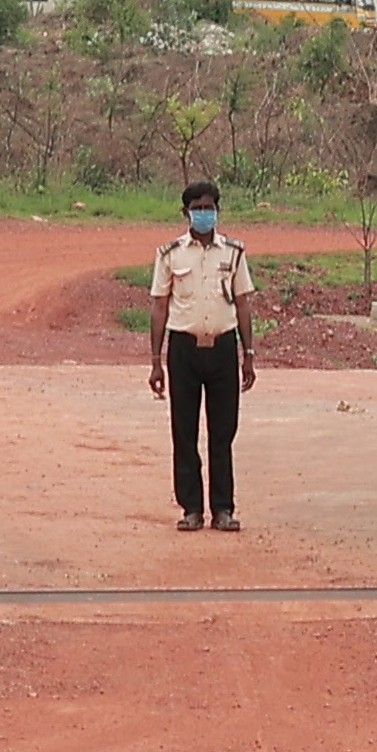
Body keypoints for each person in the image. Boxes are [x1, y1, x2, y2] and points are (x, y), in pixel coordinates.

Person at [147, 177, 259, 530]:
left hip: (224, 347)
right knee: (184, 430)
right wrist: (155, 361)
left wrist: (249, 353)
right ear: (185, 213)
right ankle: (191, 509)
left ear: (218, 210)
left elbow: (243, 304)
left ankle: (223, 509)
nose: (204, 215)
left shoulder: (234, 253)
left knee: (223, 432)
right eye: (197, 209)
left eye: (209, 208)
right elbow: (158, 307)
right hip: (183, 350)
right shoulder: (169, 255)